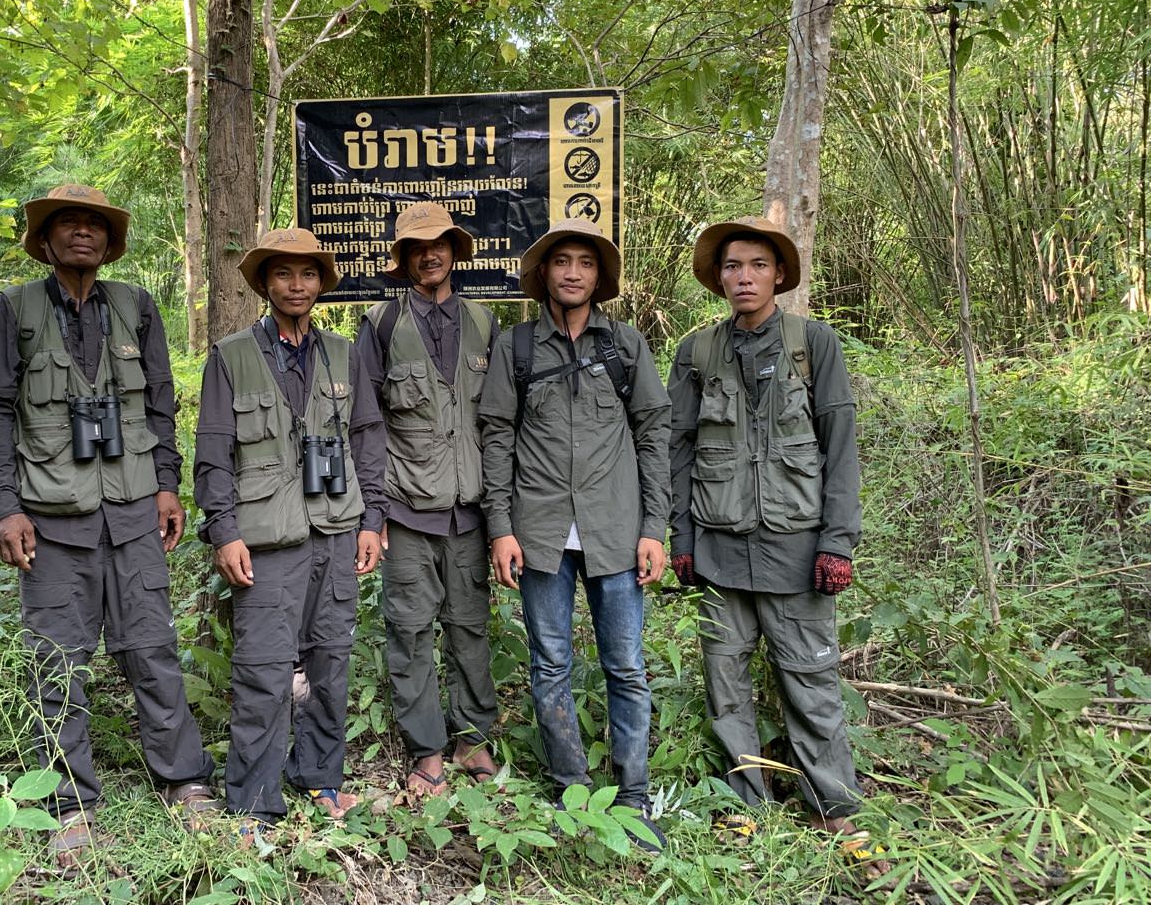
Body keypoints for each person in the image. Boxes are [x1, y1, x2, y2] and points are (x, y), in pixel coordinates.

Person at [0, 183, 218, 866]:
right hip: (49, 520)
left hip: (134, 511)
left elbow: (160, 405)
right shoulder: (11, 309)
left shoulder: (135, 307)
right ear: (45, 242)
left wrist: (167, 484)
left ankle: (183, 779)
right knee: (57, 662)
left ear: (110, 243)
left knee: (152, 649)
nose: (82, 233)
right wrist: (3, 504)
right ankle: (69, 800)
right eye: (67, 224)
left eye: (95, 226)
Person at [666, 216, 881, 862]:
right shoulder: (696, 352)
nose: (744, 277)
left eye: (757, 265)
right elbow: (675, 451)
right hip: (720, 550)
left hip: (797, 548)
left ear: (779, 274)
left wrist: (837, 543)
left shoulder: (815, 344)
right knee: (725, 683)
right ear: (719, 278)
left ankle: (833, 807)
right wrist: (679, 535)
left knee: (811, 683)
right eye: (733, 267)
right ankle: (744, 803)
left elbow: (840, 451)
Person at [479, 217, 672, 851]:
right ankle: (570, 789)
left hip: (615, 530)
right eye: (561, 261)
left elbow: (652, 436)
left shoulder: (625, 347)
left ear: (598, 277)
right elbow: (497, 439)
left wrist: (654, 528)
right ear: (544, 274)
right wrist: (501, 529)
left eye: (584, 264)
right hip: (537, 533)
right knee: (550, 662)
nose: (571, 272)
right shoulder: (517, 349)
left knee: (626, 664)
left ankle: (635, 796)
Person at [194, 227, 387, 828]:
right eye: (283, 274)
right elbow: (213, 452)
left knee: (330, 663)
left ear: (321, 283)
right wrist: (223, 531)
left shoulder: (342, 353)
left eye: (307, 274)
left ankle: (321, 778)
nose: (296, 285)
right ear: (265, 283)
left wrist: (371, 520)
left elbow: (366, 439)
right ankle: (253, 801)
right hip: (266, 542)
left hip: (335, 530)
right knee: (264, 670)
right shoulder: (231, 356)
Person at [355, 202, 500, 799]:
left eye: (439, 243)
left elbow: (498, 426)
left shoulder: (486, 323)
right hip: (406, 509)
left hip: (470, 512)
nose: (429, 254)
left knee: (470, 627)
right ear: (403, 258)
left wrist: (501, 518)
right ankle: (426, 749)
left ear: (454, 252)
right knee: (410, 631)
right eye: (417, 247)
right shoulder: (381, 324)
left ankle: (472, 738)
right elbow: (366, 423)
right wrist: (372, 513)